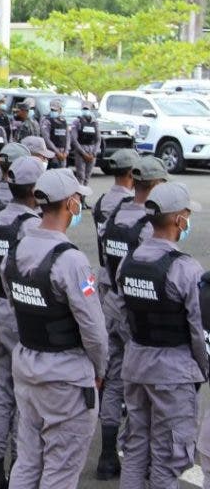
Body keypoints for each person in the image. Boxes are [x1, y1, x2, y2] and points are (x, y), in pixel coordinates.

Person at [4, 168, 108, 488]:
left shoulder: (17, 249)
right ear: (71, 204)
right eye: (78, 199)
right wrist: (99, 369)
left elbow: (14, 301)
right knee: (60, 470)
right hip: (65, 378)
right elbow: (93, 330)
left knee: (28, 460)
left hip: (27, 366)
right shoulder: (70, 260)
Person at [117, 182, 207, 489]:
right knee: (167, 458)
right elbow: (198, 330)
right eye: (186, 214)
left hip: (136, 365)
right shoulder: (186, 269)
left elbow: (122, 317)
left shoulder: (128, 262)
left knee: (135, 450)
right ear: (178, 219)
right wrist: (202, 368)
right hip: (173, 373)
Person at [95, 154, 166, 479]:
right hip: (136, 314)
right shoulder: (149, 227)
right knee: (140, 386)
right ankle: (140, 456)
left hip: (109, 300)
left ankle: (108, 454)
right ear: (154, 185)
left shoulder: (115, 213)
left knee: (113, 380)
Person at [0, 156, 43, 489]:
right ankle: (19, 464)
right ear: (34, 190)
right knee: (23, 396)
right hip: (21, 314)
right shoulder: (32, 225)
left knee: (0, 392)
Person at [71, 100, 102, 203]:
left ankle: (83, 200)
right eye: (84, 109)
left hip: (92, 151)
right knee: (81, 176)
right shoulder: (77, 122)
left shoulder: (94, 122)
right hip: (81, 151)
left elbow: (98, 139)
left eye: (87, 109)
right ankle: (78, 200)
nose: (85, 111)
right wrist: (83, 153)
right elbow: (74, 139)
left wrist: (94, 153)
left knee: (87, 177)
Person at [41, 98, 71, 169]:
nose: (53, 112)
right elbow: (46, 139)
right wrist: (57, 153)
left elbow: (68, 137)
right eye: (52, 110)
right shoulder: (46, 121)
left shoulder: (63, 121)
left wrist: (66, 152)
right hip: (52, 152)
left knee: (62, 173)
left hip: (63, 153)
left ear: (60, 110)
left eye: (55, 110)